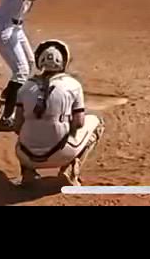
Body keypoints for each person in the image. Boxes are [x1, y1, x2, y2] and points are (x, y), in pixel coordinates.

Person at [0, 0, 67, 132]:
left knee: (31, 62)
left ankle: (9, 92)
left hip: (16, 28)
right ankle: (6, 118)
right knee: (21, 71)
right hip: (4, 29)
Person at [11, 40, 105, 187]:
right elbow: (79, 123)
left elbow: (17, 125)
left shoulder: (24, 88)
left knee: (26, 130)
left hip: (25, 156)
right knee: (97, 122)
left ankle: (28, 173)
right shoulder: (73, 85)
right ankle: (70, 169)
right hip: (62, 153)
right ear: (64, 61)